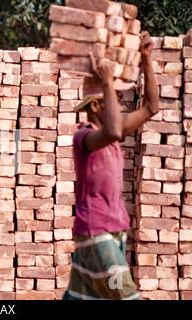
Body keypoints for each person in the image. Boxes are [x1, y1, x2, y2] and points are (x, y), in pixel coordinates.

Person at [63, 31, 159, 300]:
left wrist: (146, 58)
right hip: (98, 234)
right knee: (126, 297)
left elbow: (152, 106)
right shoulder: (85, 137)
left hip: (114, 231)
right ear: (95, 105)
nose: (119, 105)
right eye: (112, 100)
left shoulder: (112, 134)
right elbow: (115, 130)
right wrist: (106, 80)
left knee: (81, 297)